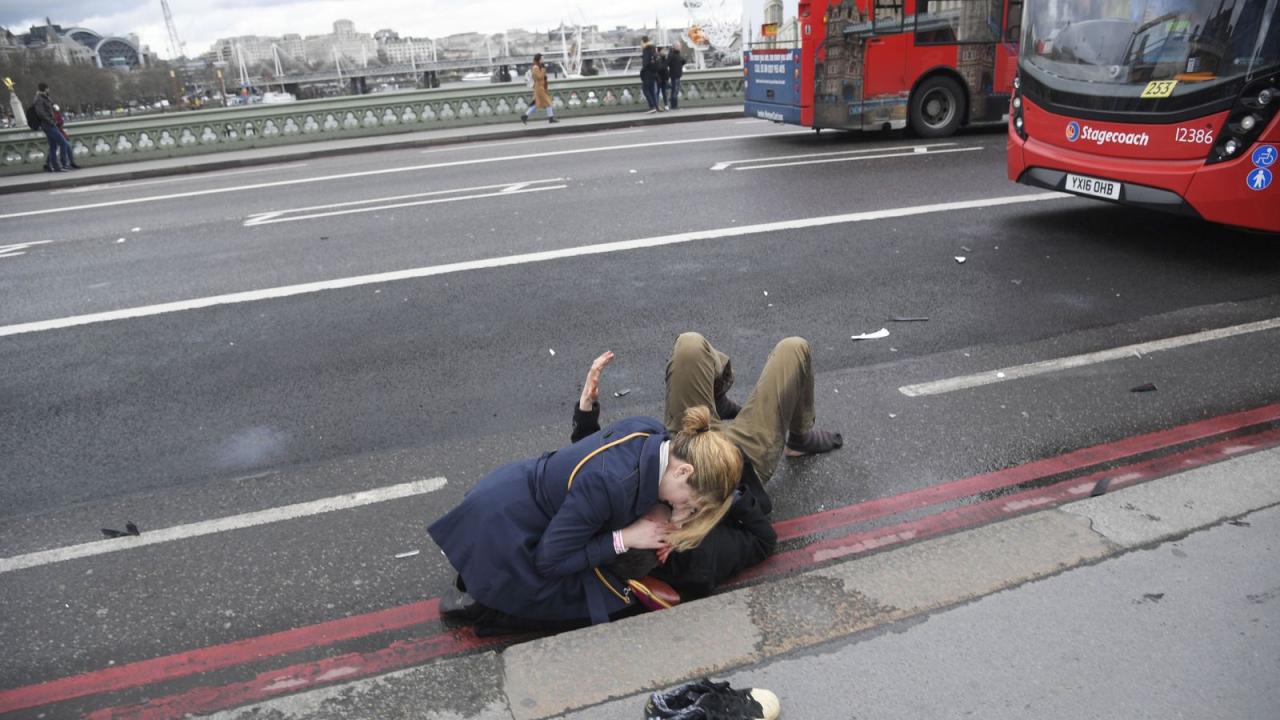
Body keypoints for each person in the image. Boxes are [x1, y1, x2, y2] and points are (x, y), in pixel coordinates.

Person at [571, 333, 842, 600]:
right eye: (660, 522)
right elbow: (763, 541)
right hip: (740, 459)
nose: (651, 511)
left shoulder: (619, 516)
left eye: (640, 520)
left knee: (689, 346)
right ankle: (799, 435)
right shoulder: (699, 563)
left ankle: (715, 403)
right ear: (663, 547)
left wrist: (586, 411)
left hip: (688, 439)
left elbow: (592, 469)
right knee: (794, 349)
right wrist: (725, 494)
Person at [429, 403, 743, 632]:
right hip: (508, 534)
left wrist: (670, 515)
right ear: (684, 470)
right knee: (602, 606)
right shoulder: (609, 485)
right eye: (690, 502)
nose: (684, 510)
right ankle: (486, 604)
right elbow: (549, 561)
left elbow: (588, 465)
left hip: (512, 496)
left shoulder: (653, 433)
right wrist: (625, 539)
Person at [33, 83, 76, 172]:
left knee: (53, 146)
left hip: (49, 124)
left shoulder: (44, 97)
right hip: (48, 125)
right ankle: (64, 164)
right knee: (63, 143)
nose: (49, 90)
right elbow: (41, 113)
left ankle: (55, 167)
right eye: (48, 89)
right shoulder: (39, 99)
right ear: (45, 89)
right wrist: (51, 121)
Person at [520, 53, 558, 124]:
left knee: (538, 103)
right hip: (539, 88)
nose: (543, 60)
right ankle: (551, 118)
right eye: (542, 59)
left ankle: (525, 116)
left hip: (541, 87)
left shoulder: (538, 67)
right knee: (548, 102)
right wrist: (543, 70)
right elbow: (539, 77)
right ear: (538, 59)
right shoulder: (535, 67)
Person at [640, 36, 661, 113]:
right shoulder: (653, 48)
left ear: (643, 42)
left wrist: (642, 72)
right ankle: (656, 106)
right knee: (652, 91)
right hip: (654, 73)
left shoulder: (646, 49)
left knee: (645, 90)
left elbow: (646, 63)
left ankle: (652, 106)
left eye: (641, 42)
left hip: (647, 73)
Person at [667, 45, 687, 110]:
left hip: (677, 74)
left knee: (675, 90)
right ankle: (674, 106)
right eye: (679, 46)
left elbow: (683, 61)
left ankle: (674, 105)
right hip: (674, 75)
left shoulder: (676, 54)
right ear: (675, 47)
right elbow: (667, 64)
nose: (680, 47)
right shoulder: (672, 55)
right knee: (675, 90)